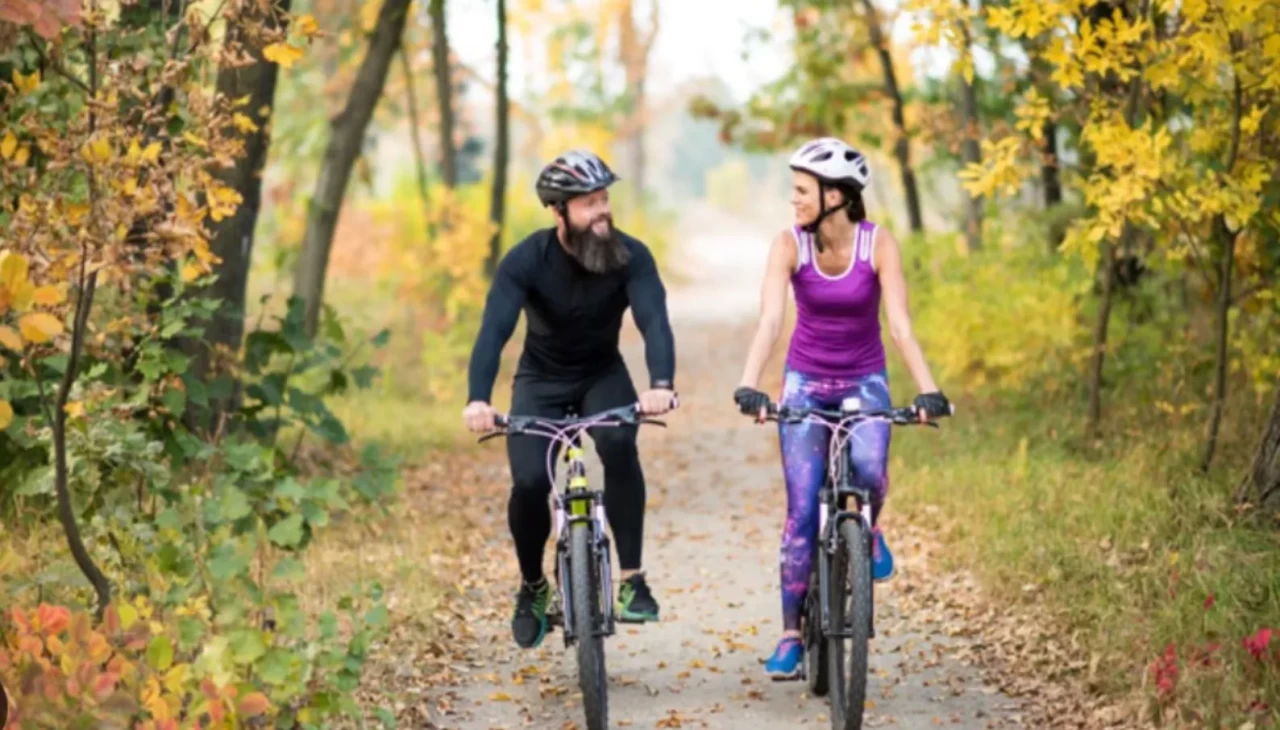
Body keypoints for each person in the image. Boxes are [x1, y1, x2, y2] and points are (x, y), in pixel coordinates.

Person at [732, 137, 952, 680]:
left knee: (871, 471)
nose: (795, 200)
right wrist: (749, 383)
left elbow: (899, 325)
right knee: (803, 510)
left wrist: (928, 389)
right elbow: (770, 321)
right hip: (805, 383)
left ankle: (868, 530)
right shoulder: (788, 245)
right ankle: (790, 634)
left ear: (836, 195)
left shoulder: (879, 245)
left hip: (864, 380)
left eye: (803, 191)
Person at [462, 149, 678, 650]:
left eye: (604, 199)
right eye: (588, 204)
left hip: (602, 373)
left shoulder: (631, 255)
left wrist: (661, 384)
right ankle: (533, 587)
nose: (602, 210)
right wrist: (478, 398)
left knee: (619, 446)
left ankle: (632, 579)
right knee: (531, 480)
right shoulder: (526, 260)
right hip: (541, 378)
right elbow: (494, 331)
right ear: (559, 212)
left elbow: (654, 321)